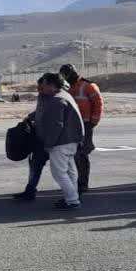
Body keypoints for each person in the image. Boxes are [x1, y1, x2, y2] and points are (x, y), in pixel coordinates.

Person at [30, 72, 85, 211]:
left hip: (61, 142)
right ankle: (72, 197)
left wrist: (49, 143)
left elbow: (56, 125)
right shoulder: (64, 95)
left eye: (44, 85)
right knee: (70, 171)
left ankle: (72, 200)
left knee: (59, 172)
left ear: (52, 86)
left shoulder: (56, 100)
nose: (41, 88)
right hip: (72, 140)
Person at [61, 64, 103, 195]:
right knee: (71, 155)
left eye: (67, 74)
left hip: (85, 125)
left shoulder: (88, 85)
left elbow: (98, 104)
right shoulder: (66, 87)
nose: (67, 78)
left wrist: (92, 123)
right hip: (70, 125)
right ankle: (74, 182)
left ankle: (83, 184)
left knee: (82, 155)